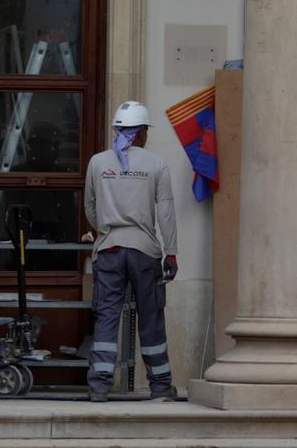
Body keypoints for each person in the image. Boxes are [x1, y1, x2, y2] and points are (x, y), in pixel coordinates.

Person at [81, 101, 178, 402]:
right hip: (145, 252)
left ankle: (99, 386)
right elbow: (166, 213)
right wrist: (171, 253)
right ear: (140, 133)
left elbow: (90, 208)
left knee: (107, 317)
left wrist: (107, 231)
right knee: (150, 318)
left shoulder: (97, 163)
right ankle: (160, 387)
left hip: (108, 250)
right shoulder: (156, 164)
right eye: (146, 129)